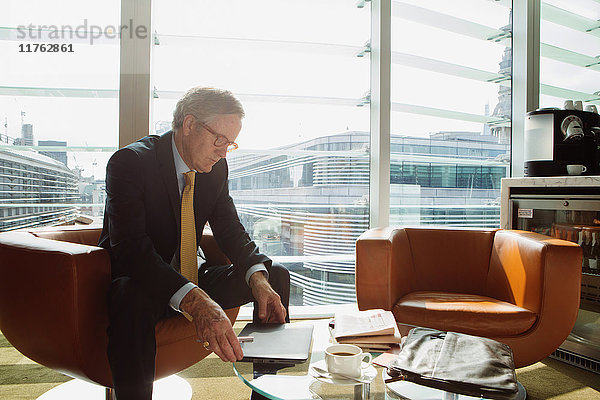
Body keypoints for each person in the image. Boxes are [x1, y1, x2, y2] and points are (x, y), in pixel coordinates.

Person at [98, 87, 290, 400]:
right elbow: (130, 249)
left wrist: (258, 279)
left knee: (274, 277)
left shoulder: (215, 170)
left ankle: (265, 395)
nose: (223, 152)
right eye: (219, 140)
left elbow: (230, 229)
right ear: (190, 125)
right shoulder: (130, 162)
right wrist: (194, 299)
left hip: (192, 277)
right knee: (130, 296)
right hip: (143, 281)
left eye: (230, 144)